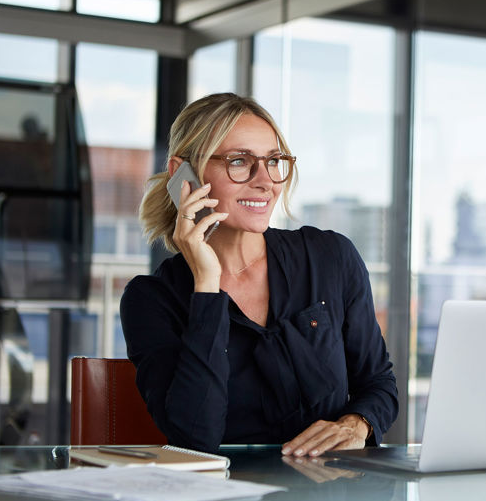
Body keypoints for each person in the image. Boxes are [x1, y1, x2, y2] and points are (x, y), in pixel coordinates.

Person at [120, 92, 398, 456]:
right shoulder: (151, 299)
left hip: (329, 495)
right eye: (239, 161)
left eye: (273, 161)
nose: (265, 181)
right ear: (182, 174)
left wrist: (356, 423)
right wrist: (206, 284)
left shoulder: (331, 257)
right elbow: (193, 440)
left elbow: (379, 383)